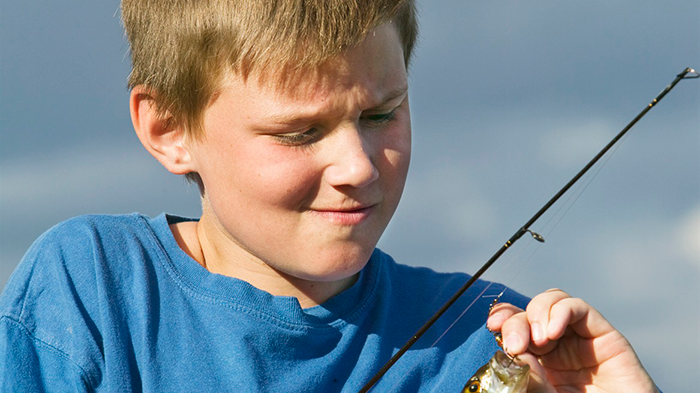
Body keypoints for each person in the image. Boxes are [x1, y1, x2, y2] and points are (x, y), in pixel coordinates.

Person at [0, 1, 660, 391]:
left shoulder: (495, 342)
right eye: (301, 130)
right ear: (169, 129)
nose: (356, 165)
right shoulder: (90, 291)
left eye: (381, 115)